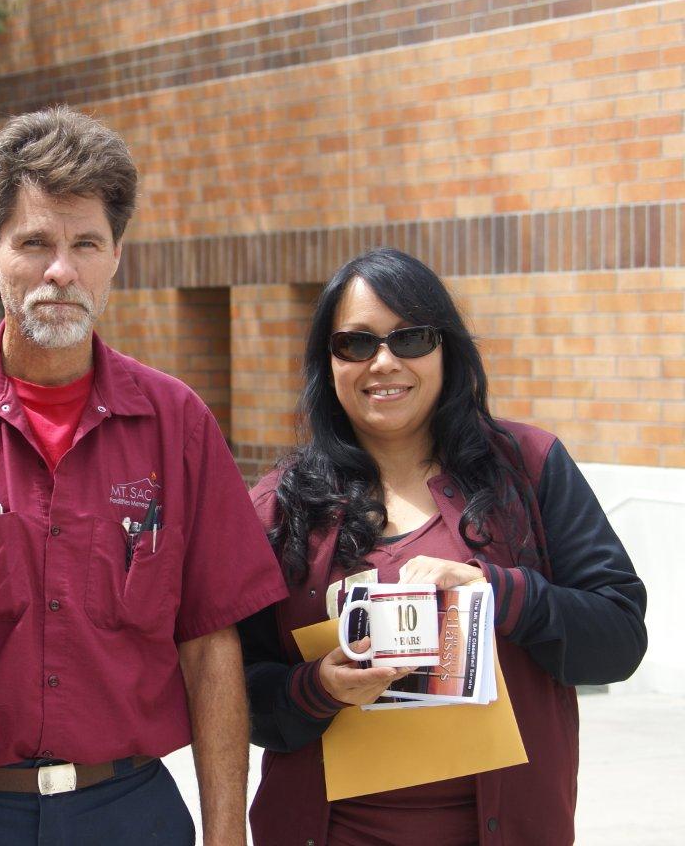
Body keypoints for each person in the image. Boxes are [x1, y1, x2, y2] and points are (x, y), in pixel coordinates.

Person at [0, 106, 288, 845]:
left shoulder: (178, 425)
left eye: (86, 244)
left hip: (131, 810)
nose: (61, 270)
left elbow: (210, 649)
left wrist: (227, 833)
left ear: (115, 256)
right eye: (34, 242)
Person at [238, 248, 648, 845]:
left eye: (410, 339)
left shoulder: (530, 469)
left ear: (446, 349)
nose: (383, 362)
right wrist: (316, 687)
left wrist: (504, 594)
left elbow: (618, 641)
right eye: (355, 344)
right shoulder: (281, 507)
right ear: (327, 362)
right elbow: (236, 692)